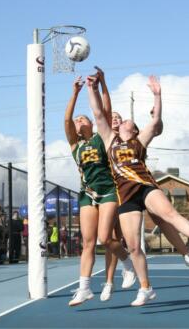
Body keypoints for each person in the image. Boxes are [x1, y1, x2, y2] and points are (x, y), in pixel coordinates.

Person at [86, 73, 189, 306]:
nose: (124, 121)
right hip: (125, 197)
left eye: (127, 122)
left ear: (134, 130)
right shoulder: (109, 141)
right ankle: (146, 288)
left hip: (145, 187)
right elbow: (98, 113)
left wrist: (157, 95)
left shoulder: (139, 140)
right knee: (133, 246)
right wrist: (92, 88)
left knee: (169, 215)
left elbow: (155, 123)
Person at [64, 73, 135, 307]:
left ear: (91, 124)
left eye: (82, 118)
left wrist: (102, 84)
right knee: (88, 242)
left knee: (106, 238)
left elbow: (106, 109)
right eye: (77, 120)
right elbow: (66, 120)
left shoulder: (100, 138)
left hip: (108, 191)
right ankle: (84, 288)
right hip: (88, 193)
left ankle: (126, 262)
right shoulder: (76, 144)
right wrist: (74, 93)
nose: (78, 120)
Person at [110, 110, 189, 270]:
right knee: (110, 236)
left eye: (119, 117)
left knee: (163, 219)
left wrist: (155, 117)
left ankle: (186, 253)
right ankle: (123, 269)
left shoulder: (133, 140)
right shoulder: (106, 139)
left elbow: (157, 129)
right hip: (119, 189)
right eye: (112, 117)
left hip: (141, 184)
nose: (117, 119)